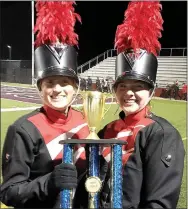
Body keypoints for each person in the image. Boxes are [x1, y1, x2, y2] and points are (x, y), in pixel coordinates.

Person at [0, 1, 89, 208]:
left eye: (65, 82)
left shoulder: (84, 120)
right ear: (40, 88)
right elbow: (9, 191)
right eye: (49, 83)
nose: (57, 89)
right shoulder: (23, 129)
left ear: (75, 87)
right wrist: (48, 183)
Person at [98, 1, 185, 208]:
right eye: (122, 86)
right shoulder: (106, 130)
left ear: (151, 91)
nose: (128, 93)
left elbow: (159, 203)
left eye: (138, 87)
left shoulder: (161, 134)